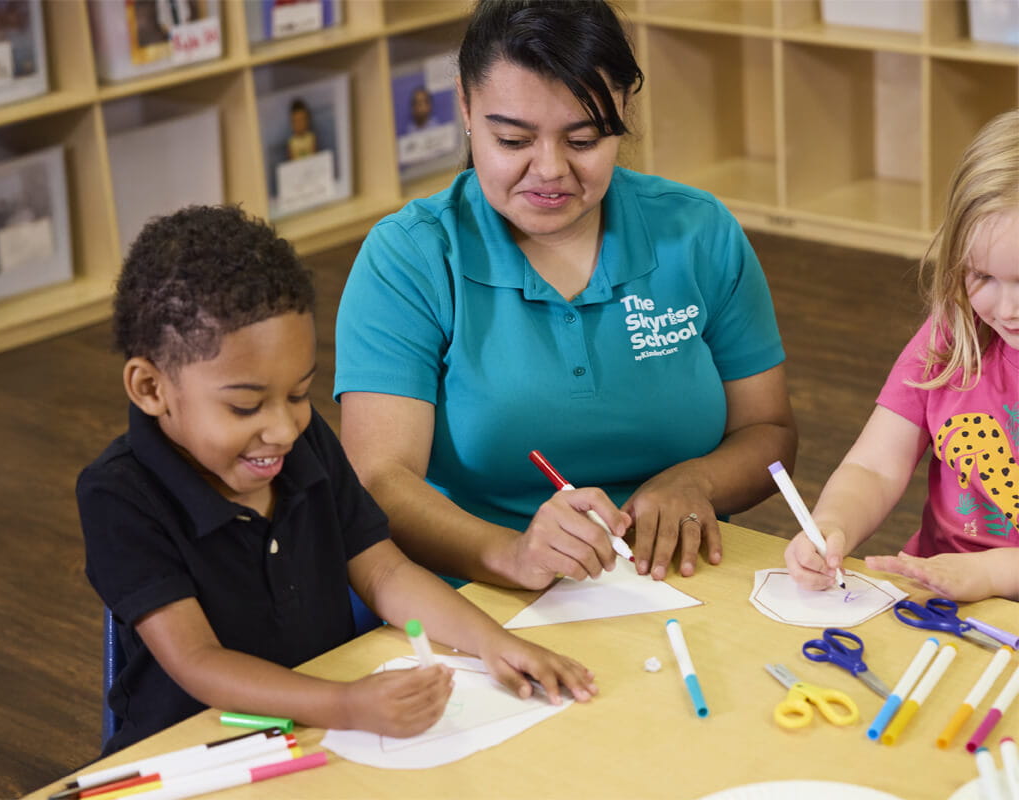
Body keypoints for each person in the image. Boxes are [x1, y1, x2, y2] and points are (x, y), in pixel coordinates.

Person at [77, 205, 598, 755]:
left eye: (299, 394)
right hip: (198, 751)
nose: (282, 428)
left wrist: (493, 643)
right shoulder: (118, 496)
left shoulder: (303, 445)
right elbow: (198, 663)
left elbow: (385, 571)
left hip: (322, 733)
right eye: (246, 406)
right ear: (151, 388)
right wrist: (346, 704)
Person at [335, 0, 796, 592]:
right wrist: (514, 553)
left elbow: (770, 431)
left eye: (583, 139)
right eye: (512, 139)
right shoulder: (411, 257)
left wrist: (699, 481)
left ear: (623, 110)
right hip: (482, 590)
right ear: (466, 108)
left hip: (676, 576)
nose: (549, 170)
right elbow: (378, 482)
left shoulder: (698, 232)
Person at [785, 110, 1019, 603]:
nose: (1007, 309)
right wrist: (832, 526)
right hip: (940, 595)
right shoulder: (953, 335)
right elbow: (874, 467)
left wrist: (991, 575)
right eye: (982, 277)